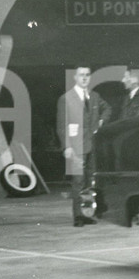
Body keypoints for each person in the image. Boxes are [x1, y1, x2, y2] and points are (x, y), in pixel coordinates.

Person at [56, 66, 111, 226]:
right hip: (76, 146)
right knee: (78, 181)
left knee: (89, 182)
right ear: (75, 77)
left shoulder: (94, 96)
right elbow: (61, 125)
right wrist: (66, 146)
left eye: (87, 75)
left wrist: (101, 120)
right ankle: (78, 216)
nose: (85, 78)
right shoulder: (66, 98)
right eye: (81, 75)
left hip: (92, 145)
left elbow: (108, 108)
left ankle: (87, 213)